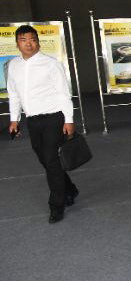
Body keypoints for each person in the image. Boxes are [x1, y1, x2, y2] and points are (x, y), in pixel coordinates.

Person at [7, 25, 79, 224]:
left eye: (32, 39)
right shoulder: (13, 66)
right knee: (46, 161)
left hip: (53, 118)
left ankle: (57, 205)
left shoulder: (51, 64)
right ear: (17, 43)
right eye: (23, 40)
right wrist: (14, 120)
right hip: (32, 120)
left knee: (50, 159)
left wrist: (69, 120)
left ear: (38, 42)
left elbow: (63, 93)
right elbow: (14, 94)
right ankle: (70, 188)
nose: (28, 44)